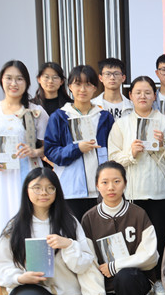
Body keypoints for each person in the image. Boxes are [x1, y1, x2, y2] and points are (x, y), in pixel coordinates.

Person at [0, 167, 106, 295]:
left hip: (65, 293)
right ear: (26, 190)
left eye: (50, 188)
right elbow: (0, 265)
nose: (43, 193)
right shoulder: (15, 226)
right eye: (37, 187)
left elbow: (85, 263)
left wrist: (69, 245)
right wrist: (20, 278)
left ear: (57, 191)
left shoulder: (69, 222)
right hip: (32, 290)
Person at [0, 60, 49, 282]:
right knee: (3, 222)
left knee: (31, 221)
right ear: (1, 80)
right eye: (9, 78)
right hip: (0, 178)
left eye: (19, 78)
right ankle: (7, 278)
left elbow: (48, 146)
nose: (14, 83)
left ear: (27, 82)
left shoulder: (35, 112)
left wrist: (34, 151)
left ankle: (36, 273)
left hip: (28, 175)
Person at [107, 75, 165, 295]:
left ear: (155, 96)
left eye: (148, 92)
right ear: (130, 95)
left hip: (159, 191)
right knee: (134, 240)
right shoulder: (122, 124)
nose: (143, 96)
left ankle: (160, 280)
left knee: (160, 237)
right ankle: (140, 284)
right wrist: (131, 153)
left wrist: (162, 146)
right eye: (138, 92)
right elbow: (112, 158)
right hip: (132, 192)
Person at [81, 161, 158, 295]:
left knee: (125, 277)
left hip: (134, 279)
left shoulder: (138, 214)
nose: (111, 187)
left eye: (116, 181)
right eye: (105, 182)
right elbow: (88, 261)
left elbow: (150, 256)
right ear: (97, 185)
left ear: (125, 183)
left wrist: (116, 266)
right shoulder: (89, 218)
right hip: (104, 285)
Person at [44, 65, 114, 221]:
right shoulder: (60, 117)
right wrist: (77, 148)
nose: (82, 89)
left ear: (95, 88)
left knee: (102, 232)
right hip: (71, 190)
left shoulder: (104, 117)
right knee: (74, 232)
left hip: (102, 189)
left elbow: (114, 150)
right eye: (77, 84)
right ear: (69, 86)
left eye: (88, 84)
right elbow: (51, 151)